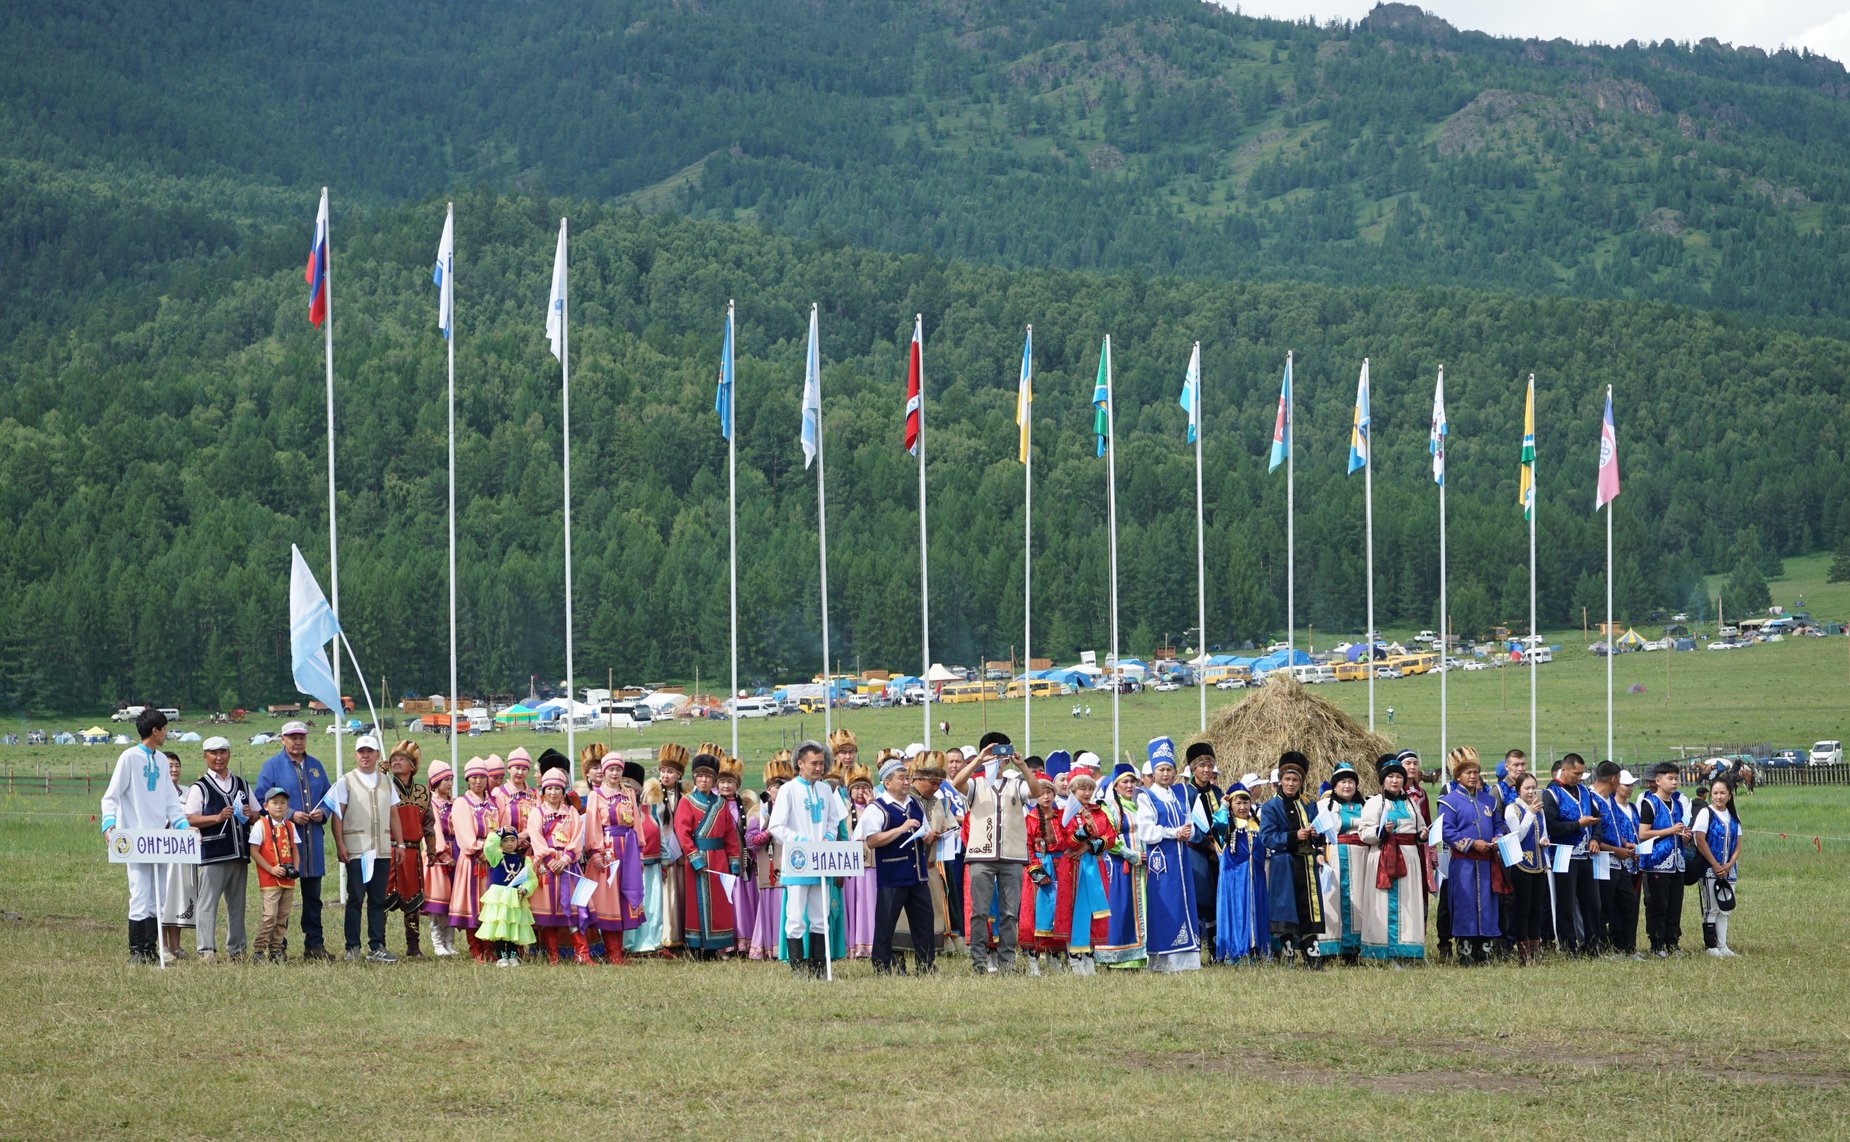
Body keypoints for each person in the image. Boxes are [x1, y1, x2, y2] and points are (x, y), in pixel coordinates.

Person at [99, 710, 190, 964]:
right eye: (165, 729)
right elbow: (111, 796)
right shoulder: (129, 758)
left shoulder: (161, 760)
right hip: (136, 840)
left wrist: (184, 828)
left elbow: (171, 801)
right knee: (140, 892)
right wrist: (110, 826)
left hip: (159, 840)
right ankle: (136, 951)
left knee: (158, 894)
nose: (167, 733)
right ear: (155, 731)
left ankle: (150, 950)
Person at [951, 732, 1036, 974]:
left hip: (1012, 855)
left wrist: (1022, 766)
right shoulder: (976, 784)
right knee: (979, 911)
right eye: (993, 752)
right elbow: (956, 783)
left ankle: (1006, 961)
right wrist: (978, 760)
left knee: (1010, 912)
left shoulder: (1016, 783)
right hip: (981, 855)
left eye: (1002, 753)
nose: (998, 758)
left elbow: (1037, 791)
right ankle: (979, 959)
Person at [254, 721, 334, 961]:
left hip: (312, 843)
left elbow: (329, 797)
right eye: (292, 737)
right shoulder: (272, 766)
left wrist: (324, 814)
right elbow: (260, 800)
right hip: (283, 845)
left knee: (313, 898)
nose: (297, 741)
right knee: (281, 899)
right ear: (283, 739)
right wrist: (290, 814)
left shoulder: (315, 766)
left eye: (301, 737)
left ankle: (314, 945)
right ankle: (278, 947)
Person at [768, 739, 847, 977]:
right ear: (800, 763)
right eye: (813, 763)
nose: (818, 768)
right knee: (795, 916)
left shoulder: (825, 789)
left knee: (820, 914)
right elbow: (776, 826)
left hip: (821, 859)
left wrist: (829, 837)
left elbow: (834, 820)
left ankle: (819, 966)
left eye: (822, 763)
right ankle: (798, 967)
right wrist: (803, 844)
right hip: (798, 861)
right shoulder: (788, 790)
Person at [859, 755, 938, 974]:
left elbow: (924, 829)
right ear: (887, 782)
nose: (906, 782)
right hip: (892, 875)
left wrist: (929, 835)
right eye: (902, 778)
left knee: (924, 922)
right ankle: (882, 966)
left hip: (917, 874)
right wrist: (901, 829)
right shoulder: (877, 808)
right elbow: (872, 841)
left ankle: (926, 965)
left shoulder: (915, 803)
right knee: (886, 923)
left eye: (907, 778)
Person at [184, 735, 257, 962]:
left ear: (229, 754)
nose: (219, 757)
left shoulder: (242, 784)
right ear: (205, 756)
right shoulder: (200, 787)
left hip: (239, 852)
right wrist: (216, 817)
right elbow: (190, 818)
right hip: (213, 853)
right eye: (213, 753)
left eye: (223, 752)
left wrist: (249, 814)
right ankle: (206, 949)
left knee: (237, 905)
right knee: (208, 903)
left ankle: (237, 949)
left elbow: (257, 813)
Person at [329, 735, 402, 963]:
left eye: (369, 751)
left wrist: (399, 843)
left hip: (381, 850)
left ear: (377, 755)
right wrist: (340, 844)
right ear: (356, 754)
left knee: (378, 899)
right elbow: (337, 815)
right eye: (361, 752)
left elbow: (394, 814)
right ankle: (352, 946)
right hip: (357, 850)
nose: (365, 756)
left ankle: (377, 945)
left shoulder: (386, 781)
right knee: (356, 898)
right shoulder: (346, 781)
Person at [1136, 737, 1203, 973]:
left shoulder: (1180, 793)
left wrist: (1187, 831)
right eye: (1161, 770)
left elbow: (1190, 822)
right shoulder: (1146, 796)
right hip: (1161, 859)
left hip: (1181, 857)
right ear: (1153, 772)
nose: (1165, 774)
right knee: (1165, 902)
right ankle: (1164, 956)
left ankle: (1186, 957)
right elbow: (1146, 831)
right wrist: (1173, 833)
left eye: (1169, 769)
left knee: (1184, 899)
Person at [1438, 746, 1505, 964]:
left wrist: (1496, 837)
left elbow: (1499, 825)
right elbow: (1446, 831)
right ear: (1458, 775)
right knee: (1465, 904)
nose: (1473, 776)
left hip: (1487, 864)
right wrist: (1472, 843)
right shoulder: (1449, 801)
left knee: (1487, 904)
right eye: (1468, 772)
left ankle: (1483, 949)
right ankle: (1465, 951)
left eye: (1476, 771)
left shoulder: (1489, 800)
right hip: (1464, 863)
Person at [673, 750, 743, 959]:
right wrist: (694, 856)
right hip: (697, 859)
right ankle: (696, 947)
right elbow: (682, 832)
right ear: (694, 778)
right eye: (700, 776)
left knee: (719, 902)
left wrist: (734, 861)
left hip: (719, 858)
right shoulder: (686, 802)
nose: (704, 780)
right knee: (696, 903)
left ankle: (714, 947)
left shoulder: (721, 803)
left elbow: (730, 834)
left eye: (708, 776)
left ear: (714, 779)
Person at [1357, 755, 1427, 963]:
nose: (1395, 781)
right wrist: (1382, 831)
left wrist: (1421, 835)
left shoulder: (1411, 805)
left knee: (1408, 903)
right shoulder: (1374, 803)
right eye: (1391, 777)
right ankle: (1383, 951)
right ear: (1383, 780)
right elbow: (1364, 832)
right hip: (1383, 856)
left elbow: (1420, 827)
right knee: (1383, 902)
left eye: (1398, 777)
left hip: (1408, 857)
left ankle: (1407, 950)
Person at [1259, 751, 1325, 967]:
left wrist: (1317, 835)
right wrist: (1293, 836)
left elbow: (1321, 834)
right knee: (1286, 908)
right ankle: (1287, 952)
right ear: (1280, 780)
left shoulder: (1309, 804)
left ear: (1301, 782)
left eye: (1295, 780)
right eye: (1286, 779)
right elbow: (1267, 837)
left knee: (1307, 908)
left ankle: (1311, 954)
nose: (1290, 783)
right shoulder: (1270, 807)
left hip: (1306, 864)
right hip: (1284, 864)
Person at [585, 754, 645, 963]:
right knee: (609, 900)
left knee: (623, 898)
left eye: (618, 769)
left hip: (628, 849)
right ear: (604, 771)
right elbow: (592, 824)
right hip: (608, 849)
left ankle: (619, 950)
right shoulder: (596, 795)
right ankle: (613, 952)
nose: (614, 773)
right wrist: (595, 852)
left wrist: (640, 852)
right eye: (610, 769)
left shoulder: (629, 793)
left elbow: (636, 823)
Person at [1544, 753, 1603, 956]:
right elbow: (1551, 826)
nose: (1579, 777)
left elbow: (1597, 818)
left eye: (1581, 773)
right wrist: (1577, 824)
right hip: (1562, 855)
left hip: (1587, 855)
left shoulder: (1585, 791)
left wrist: (1595, 838)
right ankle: (1568, 946)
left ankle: (1593, 944)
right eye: (1576, 773)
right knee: (1565, 903)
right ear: (1565, 769)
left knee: (1592, 902)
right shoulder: (1551, 794)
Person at [528, 768, 588, 964]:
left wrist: (565, 859)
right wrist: (548, 859)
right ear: (544, 791)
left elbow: (577, 837)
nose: (553, 793)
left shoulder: (571, 812)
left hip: (567, 866)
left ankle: (581, 952)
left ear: (563, 791)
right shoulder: (537, 813)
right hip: (546, 868)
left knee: (572, 909)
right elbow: (535, 837)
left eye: (557, 788)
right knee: (548, 912)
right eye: (550, 788)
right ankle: (552, 955)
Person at [1637, 761, 1693, 957]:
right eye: (1670, 778)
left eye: (1676, 778)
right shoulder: (1649, 803)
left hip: (1677, 861)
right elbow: (1643, 833)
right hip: (1656, 862)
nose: (1675, 782)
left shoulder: (1678, 803)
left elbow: (1681, 829)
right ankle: (1657, 943)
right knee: (1657, 905)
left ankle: (1672, 941)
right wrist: (1670, 831)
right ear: (1658, 781)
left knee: (1674, 904)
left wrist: (1684, 835)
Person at [1062, 767, 1115, 975]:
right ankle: (1075, 956)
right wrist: (1085, 832)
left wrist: (1089, 846)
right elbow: (1066, 840)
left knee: (1094, 910)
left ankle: (1090, 955)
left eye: (1089, 788)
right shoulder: (1066, 813)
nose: (1086, 793)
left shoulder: (1099, 812)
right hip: (1073, 868)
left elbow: (1110, 837)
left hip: (1094, 865)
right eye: (1081, 788)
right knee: (1074, 909)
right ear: (1073, 790)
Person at [384, 740, 434, 957]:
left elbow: (429, 824)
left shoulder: (423, 793)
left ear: (412, 766)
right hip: (388, 849)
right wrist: (379, 775)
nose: (396, 762)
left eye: (401, 759)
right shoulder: (384, 786)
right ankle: (379, 944)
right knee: (382, 897)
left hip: (413, 852)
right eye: (393, 759)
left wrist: (431, 850)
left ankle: (413, 947)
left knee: (413, 899)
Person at [448, 757, 500, 963]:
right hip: (473, 861)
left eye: (481, 777)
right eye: (473, 777)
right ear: (468, 780)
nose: (478, 781)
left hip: (493, 859)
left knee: (490, 904)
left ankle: (489, 947)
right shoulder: (462, 803)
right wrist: (481, 850)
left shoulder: (493, 804)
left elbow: (501, 830)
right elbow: (465, 837)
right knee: (474, 904)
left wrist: (498, 850)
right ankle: (475, 948)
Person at [1022, 773, 1075, 975]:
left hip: (1061, 868)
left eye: (1049, 792)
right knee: (1034, 915)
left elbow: (1071, 839)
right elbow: (1025, 847)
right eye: (1042, 793)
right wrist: (1036, 870)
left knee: (1059, 914)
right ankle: (1032, 962)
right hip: (1038, 869)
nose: (1046, 797)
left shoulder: (1062, 816)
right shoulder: (1030, 819)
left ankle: (1055, 957)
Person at [1315, 762, 1368, 964]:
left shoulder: (1365, 806)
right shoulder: (1324, 806)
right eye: (1343, 782)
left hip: (1360, 857)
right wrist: (1319, 851)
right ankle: (1329, 949)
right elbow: (1317, 833)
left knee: (1358, 902)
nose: (1347, 786)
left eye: (1351, 782)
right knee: (1332, 900)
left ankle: (1353, 951)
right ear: (1335, 785)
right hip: (1335, 856)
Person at [1098, 762, 1148, 970]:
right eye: (1124, 782)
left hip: (1144, 867)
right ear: (1116, 784)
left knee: (1144, 910)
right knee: (1123, 908)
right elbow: (1109, 836)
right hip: (1121, 866)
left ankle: (1144, 954)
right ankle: (1120, 956)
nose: (1129, 786)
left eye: (1132, 781)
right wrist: (1132, 855)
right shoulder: (1109, 806)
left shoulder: (1141, 804)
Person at [1211, 785, 1268, 963]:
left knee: (1255, 910)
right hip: (1234, 878)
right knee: (1236, 912)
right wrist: (1223, 807)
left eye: (1246, 802)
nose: (1242, 807)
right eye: (1238, 802)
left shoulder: (1256, 823)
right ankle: (1235, 952)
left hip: (1256, 877)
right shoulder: (1228, 824)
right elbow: (1218, 824)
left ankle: (1256, 950)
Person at [746, 751, 794, 961]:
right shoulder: (760, 811)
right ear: (768, 789)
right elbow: (750, 840)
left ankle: (789, 946)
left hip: (791, 862)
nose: (780, 790)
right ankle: (768, 946)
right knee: (771, 900)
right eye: (776, 786)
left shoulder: (796, 810)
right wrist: (768, 832)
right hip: (768, 863)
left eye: (785, 785)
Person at [1501, 772, 1552, 964]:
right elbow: (1517, 836)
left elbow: (1542, 832)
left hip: (1539, 863)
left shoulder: (1540, 809)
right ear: (1518, 790)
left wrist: (1544, 840)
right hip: (1521, 864)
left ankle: (1535, 950)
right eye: (1527, 788)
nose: (1531, 792)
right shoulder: (1512, 809)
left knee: (1537, 908)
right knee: (1522, 909)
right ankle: (1523, 951)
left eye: (1534, 788)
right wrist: (1530, 814)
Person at [248, 787, 302, 963]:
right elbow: (254, 851)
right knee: (270, 915)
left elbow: (295, 850)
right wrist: (271, 869)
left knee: (283, 916)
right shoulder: (261, 825)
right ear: (266, 805)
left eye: (283, 803)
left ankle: (276, 948)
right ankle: (259, 949)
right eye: (274, 803)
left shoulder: (290, 825)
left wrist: (295, 868)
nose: (279, 806)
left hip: (287, 879)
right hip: (270, 878)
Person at [154, 751, 199, 961]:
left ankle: (176, 945)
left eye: (177, 766)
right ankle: (161, 945)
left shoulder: (188, 792)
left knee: (180, 898)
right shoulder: (154, 792)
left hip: (184, 854)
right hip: (163, 853)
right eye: (170, 766)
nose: (174, 770)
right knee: (164, 897)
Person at [1693, 776, 1744, 957]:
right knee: (1711, 908)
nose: (1719, 796)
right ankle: (1711, 946)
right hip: (1710, 869)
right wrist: (1715, 864)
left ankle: (1723, 945)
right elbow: (1700, 839)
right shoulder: (1706, 813)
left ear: (1729, 795)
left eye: (1722, 793)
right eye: (1715, 793)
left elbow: (1737, 845)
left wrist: (1729, 864)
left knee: (1725, 908)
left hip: (1729, 870)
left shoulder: (1733, 818)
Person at [625, 761, 669, 958]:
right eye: (625, 787)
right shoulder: (616, 811)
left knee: (652, 906)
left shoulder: (651, 810)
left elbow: (663, 839)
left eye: (632, 788)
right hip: (627, 869)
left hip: (651, 868)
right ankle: (627, 945)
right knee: (630, 906)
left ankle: (651, 943)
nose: (629, 791)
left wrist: (666, 862)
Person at [1182, 742, 1223, 952]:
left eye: (1210, 765)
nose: (1206, 770)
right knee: (1199, 898)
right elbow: (1186, 823)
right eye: (1201, 766)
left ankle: (1216, 948)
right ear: (1192, 768)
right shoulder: (1185, 793)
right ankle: (1195, 948)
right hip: (1195, 851)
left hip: (1218, 853)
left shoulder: (1217, 792)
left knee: (1217, 898)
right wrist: (1207, 843)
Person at [477, 827, 537, 967]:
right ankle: (501, 957)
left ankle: (512, 955)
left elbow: (532, 880)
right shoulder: (496, 856)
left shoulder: (523, 859)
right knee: (500, 926)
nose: (509, 844)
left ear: (517, 841)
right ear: (501, 843)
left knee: (513, 925)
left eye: (512, 840)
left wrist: (525, 888)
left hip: (515, 897)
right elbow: (489, 845)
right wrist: (500, 832)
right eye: (505, 841)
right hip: (500, 897)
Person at [650, 744, 689, 955]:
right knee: (666, 893)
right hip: (662, 851)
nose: (665, 775)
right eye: (663, 770)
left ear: (679, 774)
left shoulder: (685, 794)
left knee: (681, 892)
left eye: (670, 771)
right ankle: (666, 936)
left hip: (681, 851)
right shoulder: (653, 792)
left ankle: (682, 935)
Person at [717, 755, 756, 958]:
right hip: (720, 857)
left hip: (741, 859)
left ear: (737, 784)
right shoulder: (713, 804)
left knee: (741, 898)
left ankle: (744, 941)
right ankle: (726, 942)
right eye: (722, 781)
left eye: (730, 782)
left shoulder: (746, 805)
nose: (726, 786)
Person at [842, 761, 880, 959]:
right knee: (855, 904)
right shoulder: (844, 812)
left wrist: (874, 804)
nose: (860, 791)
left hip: (873, 866)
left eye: (864, 787)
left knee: (872, 904)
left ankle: (874, 943)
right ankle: (854, 945)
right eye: (856, 787)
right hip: (853, 867)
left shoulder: (878, 809)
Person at [421, 759, 458, 957]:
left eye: (451, 779)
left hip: (455, 853)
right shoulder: (431, 803)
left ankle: (450, 942)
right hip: (437, 858)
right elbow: (432, 829)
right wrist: (441, 852)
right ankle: (437, 943)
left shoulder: (454, 802)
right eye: (445, 780)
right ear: (435, 782)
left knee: (452, 900)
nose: (450, 784)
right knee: (439, 902)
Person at [1605, 768, 1643, 957]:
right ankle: (1617, 944)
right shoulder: (1611, 807)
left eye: (1631, 785)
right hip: (1615, 861)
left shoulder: (1633, 808)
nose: (1630, 788)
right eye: (1626, 785)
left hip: (1633, 862)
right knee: (1617, 907)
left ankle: (1630, 945)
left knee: (1631, 905)